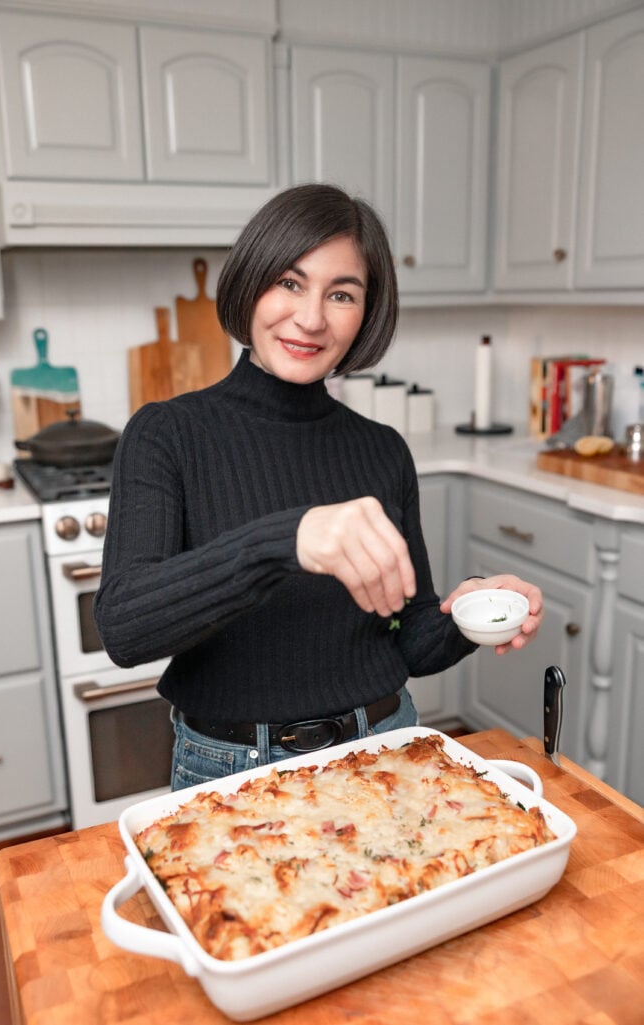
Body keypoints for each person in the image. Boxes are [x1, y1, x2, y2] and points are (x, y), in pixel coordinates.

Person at [93, 183, 543, 790]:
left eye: (341, 294)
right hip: (233, 770)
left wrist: (466, 611)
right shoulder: (167, 435)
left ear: (366, 313)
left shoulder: (382, 448)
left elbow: (409, 642)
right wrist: (288, 539)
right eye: (289, 282)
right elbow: (124, 628)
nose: (310, 318)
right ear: (250, 283)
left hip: (388, 747)